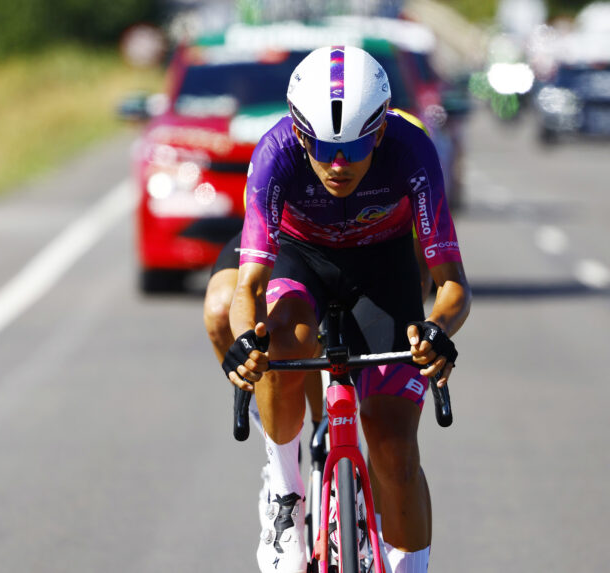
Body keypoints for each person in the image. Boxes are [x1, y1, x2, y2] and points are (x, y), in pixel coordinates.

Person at [221, 46, 471, 573]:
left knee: (394, 445)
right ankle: (285, 492)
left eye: (355, 147)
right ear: (299, 132)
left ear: (378, 133)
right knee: (281, 335)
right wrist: (246, 340)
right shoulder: (275, 152)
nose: (338, 165)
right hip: (300, 256)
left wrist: (437, 329)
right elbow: (249, 286)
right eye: (323, 147)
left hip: (382, 266)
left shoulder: (411, 149)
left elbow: (452, 283)